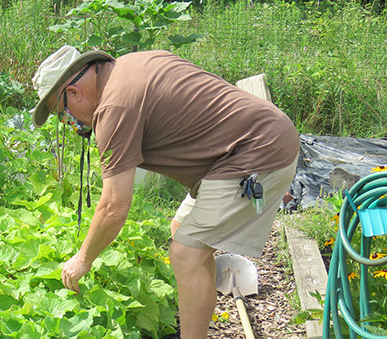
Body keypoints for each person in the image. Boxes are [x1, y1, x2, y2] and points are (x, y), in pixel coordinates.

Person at [32, 45, 300, 339]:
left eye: (64, 115)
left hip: (257, 153)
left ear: (74, 92)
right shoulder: (129, 65)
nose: (71, 124)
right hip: (248, 142)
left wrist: (82, 259)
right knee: (181, 231)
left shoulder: (114, 109)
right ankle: (197, 325)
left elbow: (114, 206)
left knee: (186, 254)